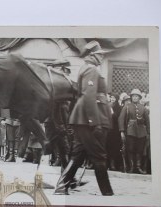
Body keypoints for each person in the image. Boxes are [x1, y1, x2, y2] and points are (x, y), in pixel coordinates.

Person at [54, 41, 114, 196]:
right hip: (88, 120)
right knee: (99, 156)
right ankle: (107, 194)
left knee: (79, 155)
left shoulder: (89, 69)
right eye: (99, 54)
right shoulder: (91, 69)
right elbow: (88, 96)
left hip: (83, 119)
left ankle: (61, 187)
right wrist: (94, 123)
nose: (102, 56)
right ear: (92, 55)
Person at [118, 89, 150, 174]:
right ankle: (132, 167)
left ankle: (138, 167)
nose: (135, 97)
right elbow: (121, 119)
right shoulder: (127, 106)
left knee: (140, 149)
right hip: (130, 131)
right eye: (133, 96)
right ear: (131, 97)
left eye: (136, 96)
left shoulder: (143, 108)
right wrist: (122, 131)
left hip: (141, 131)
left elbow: (147, 121)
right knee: (130, 149)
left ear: (139, 98)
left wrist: (148, 132)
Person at [107, 93, 122, 171]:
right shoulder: (107, 106)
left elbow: (118, 118)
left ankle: (114, 165)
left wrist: (112, 112)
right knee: (108, 147)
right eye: (111, 97)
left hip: (115, 131)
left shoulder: (119, 108)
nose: (112, 99)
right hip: (108, 130)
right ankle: (108, 164)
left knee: (115, 148)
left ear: (116, 99)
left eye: (114, 98)